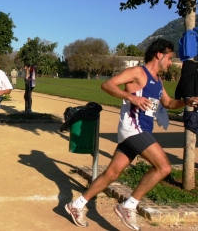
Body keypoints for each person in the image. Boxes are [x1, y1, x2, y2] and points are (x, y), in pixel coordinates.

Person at [65, 38, 198, 231]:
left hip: (141, 130)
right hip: (132, 128)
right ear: (159, 54)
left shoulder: (158, 81)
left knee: (112, 173)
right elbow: (108, 84)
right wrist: (131, 97)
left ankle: (76, 205)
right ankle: (129, 205)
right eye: (169, 58)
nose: (171, 63)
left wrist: (187, 102)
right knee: (164, 167)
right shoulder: (138, 72)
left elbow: (168, 104)